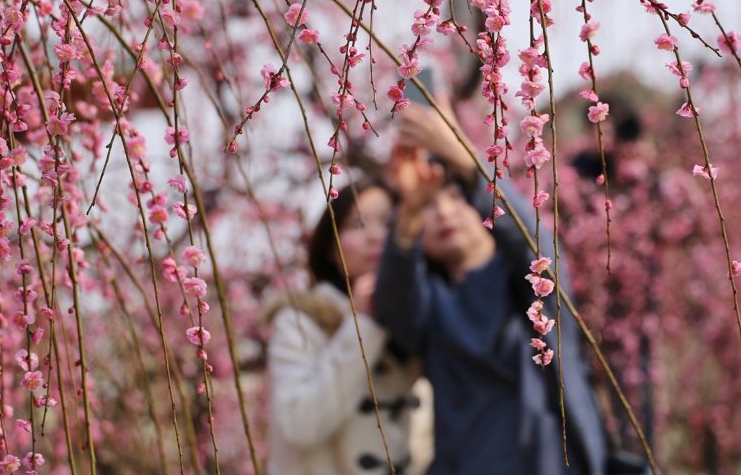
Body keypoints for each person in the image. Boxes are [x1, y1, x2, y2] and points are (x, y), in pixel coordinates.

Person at [375, 102, 620, 475]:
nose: (443, 214)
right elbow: (395, 306)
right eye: (431, 205)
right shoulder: (434, 303)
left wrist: (464, 159)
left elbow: (535, 248)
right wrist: (408, 212)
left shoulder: (530, 287)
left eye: (455, 197)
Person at [265, 179, 427, 475]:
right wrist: (362, 324)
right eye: (356, 224)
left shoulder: (424, 319)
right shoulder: (301, 321)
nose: (377, 237)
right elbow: (299, 426)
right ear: (330, 248)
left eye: (390, 223)